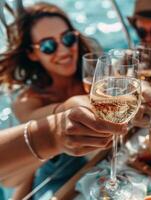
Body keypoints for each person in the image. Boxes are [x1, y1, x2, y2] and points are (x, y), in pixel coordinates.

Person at [0, 2, 102, 199]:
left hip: (99, 167)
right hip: (59, 180)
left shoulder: (93, 75)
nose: (63, 50)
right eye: (48, 46)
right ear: (32, 53)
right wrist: (67, 108)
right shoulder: (27, 100)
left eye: (68, 38)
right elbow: (40, 120)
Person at [0, 106, 126, 199]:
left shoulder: (89, 82)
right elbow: (9, 181)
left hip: (95, 171)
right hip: (59, 186)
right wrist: (52, 137)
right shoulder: (28, 102)